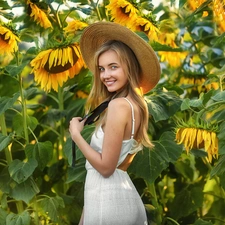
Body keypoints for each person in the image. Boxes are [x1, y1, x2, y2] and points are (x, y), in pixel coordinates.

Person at [69, 21, 160, 225]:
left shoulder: (118, 106)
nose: (105, 75)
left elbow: (106, 168)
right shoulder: (135, 105)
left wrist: (76, 134)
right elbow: (119, 167)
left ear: (130, 67)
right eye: (101, 68)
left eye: (113, 67)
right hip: (116, 199)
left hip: (108, 204)